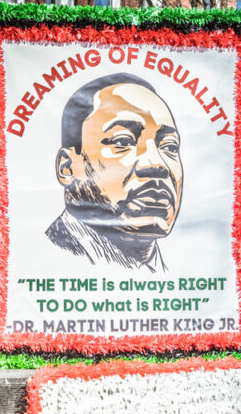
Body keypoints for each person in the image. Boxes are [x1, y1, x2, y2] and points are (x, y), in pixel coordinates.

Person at [46, 73, 183, 272]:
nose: (157, 164)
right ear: (67, 168)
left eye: (169, 146)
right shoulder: (45, 259)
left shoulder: (182, 276)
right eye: (123, 142)